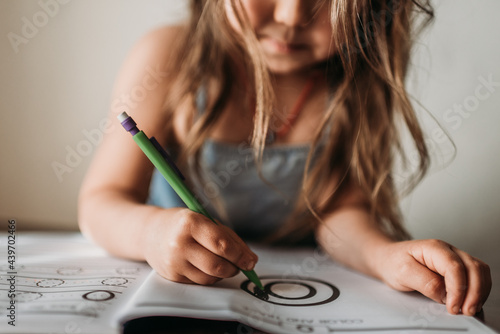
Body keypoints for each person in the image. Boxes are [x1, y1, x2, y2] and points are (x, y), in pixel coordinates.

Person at [78, 0, 491, 317]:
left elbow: (340, 213)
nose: (293, 15)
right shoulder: (170, 56)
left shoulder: (349, 83)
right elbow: (100, 202)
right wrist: (151, 233)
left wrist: (385, 256)